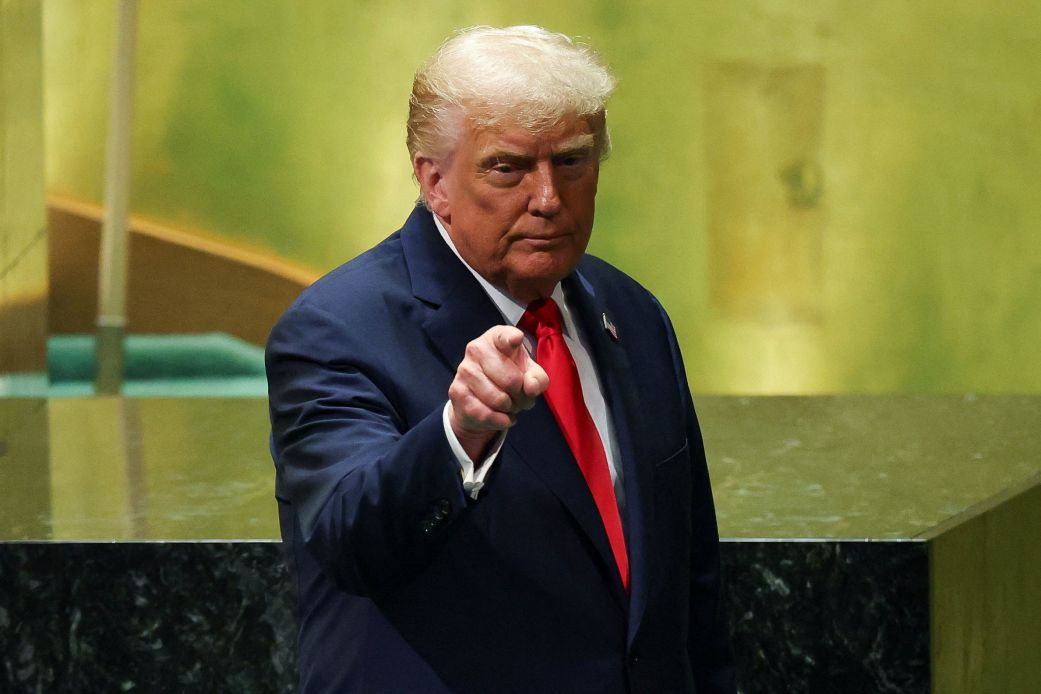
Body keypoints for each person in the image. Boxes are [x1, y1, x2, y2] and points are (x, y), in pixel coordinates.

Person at [266, 25, 736, 694]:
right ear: (434, 181)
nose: (547, 198)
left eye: (571, 162)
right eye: (507, 168)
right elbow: (354, 541)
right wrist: (459, 436)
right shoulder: (337, 328)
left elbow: (690, 584)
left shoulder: (632, 315)